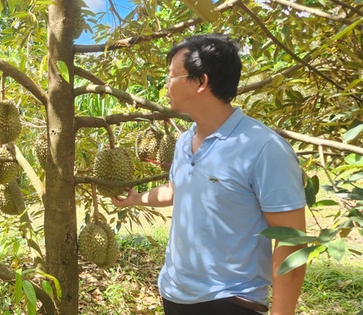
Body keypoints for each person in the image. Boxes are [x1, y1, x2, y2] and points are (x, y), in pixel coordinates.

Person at [112, 34, 306, 315]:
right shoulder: (183, 142)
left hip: (231, 301)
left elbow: (292, 240)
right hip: (175, 292)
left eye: (172, 76)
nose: (166, 84)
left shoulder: (263, 148)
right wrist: (136, 199)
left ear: (201, 82)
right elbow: (177, 191)